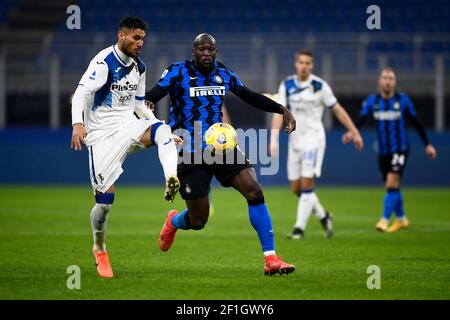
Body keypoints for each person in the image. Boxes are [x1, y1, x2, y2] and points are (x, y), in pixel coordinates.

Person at [145, 33, 296, 276]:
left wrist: (281, 109)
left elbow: (249, 96)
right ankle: (174, 221)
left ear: (216, 52)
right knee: (198, 220)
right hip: (189, 151)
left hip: (221, 145)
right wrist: (151, 116)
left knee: (254, 190)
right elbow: (150, 98)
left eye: (211, 49)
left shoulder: (222, 73)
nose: (206, 53)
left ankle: (271, 259)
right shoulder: (176, 72)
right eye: (202, 49)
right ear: (193, 51)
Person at [70, 16, 180, 278]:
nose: (140, 43)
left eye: (143, 38)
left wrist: (158, 129)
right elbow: (81, 94)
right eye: (136, 38)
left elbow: (138, 105)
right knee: (105, 203)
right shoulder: (103, 62)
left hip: (128, 126)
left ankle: (171, 178)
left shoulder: (139, 67)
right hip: (101, 136)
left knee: (163, 129)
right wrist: (77, 123)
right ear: (121, 36)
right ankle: (100, 249)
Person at [270, 50, 364, 240]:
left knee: (307, 184)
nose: (304, 66)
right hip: (294, 141)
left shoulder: (320, 86)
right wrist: (273, 139)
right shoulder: (287, 85)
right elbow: (279, 111)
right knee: (296, 188)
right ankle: (323, 216)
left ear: (312, 66)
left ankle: (299, 229)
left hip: (314, 140)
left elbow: (337, 110)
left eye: (308, 63)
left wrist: (354, 131)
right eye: (301, 62)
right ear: (296, 64)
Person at [343, 67, 437, 232]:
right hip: (383, 151)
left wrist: (427, 144)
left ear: (394, 82)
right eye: (385, 78)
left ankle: (384, 220)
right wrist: (352, 132)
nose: (387, 81)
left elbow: (416, 122)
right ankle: (401, 219)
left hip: (400, 148)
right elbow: (362, 119)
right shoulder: (373, 101)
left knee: (392, 182)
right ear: (380, 81)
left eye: (391, 78)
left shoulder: (403, 101)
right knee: (393, 186)